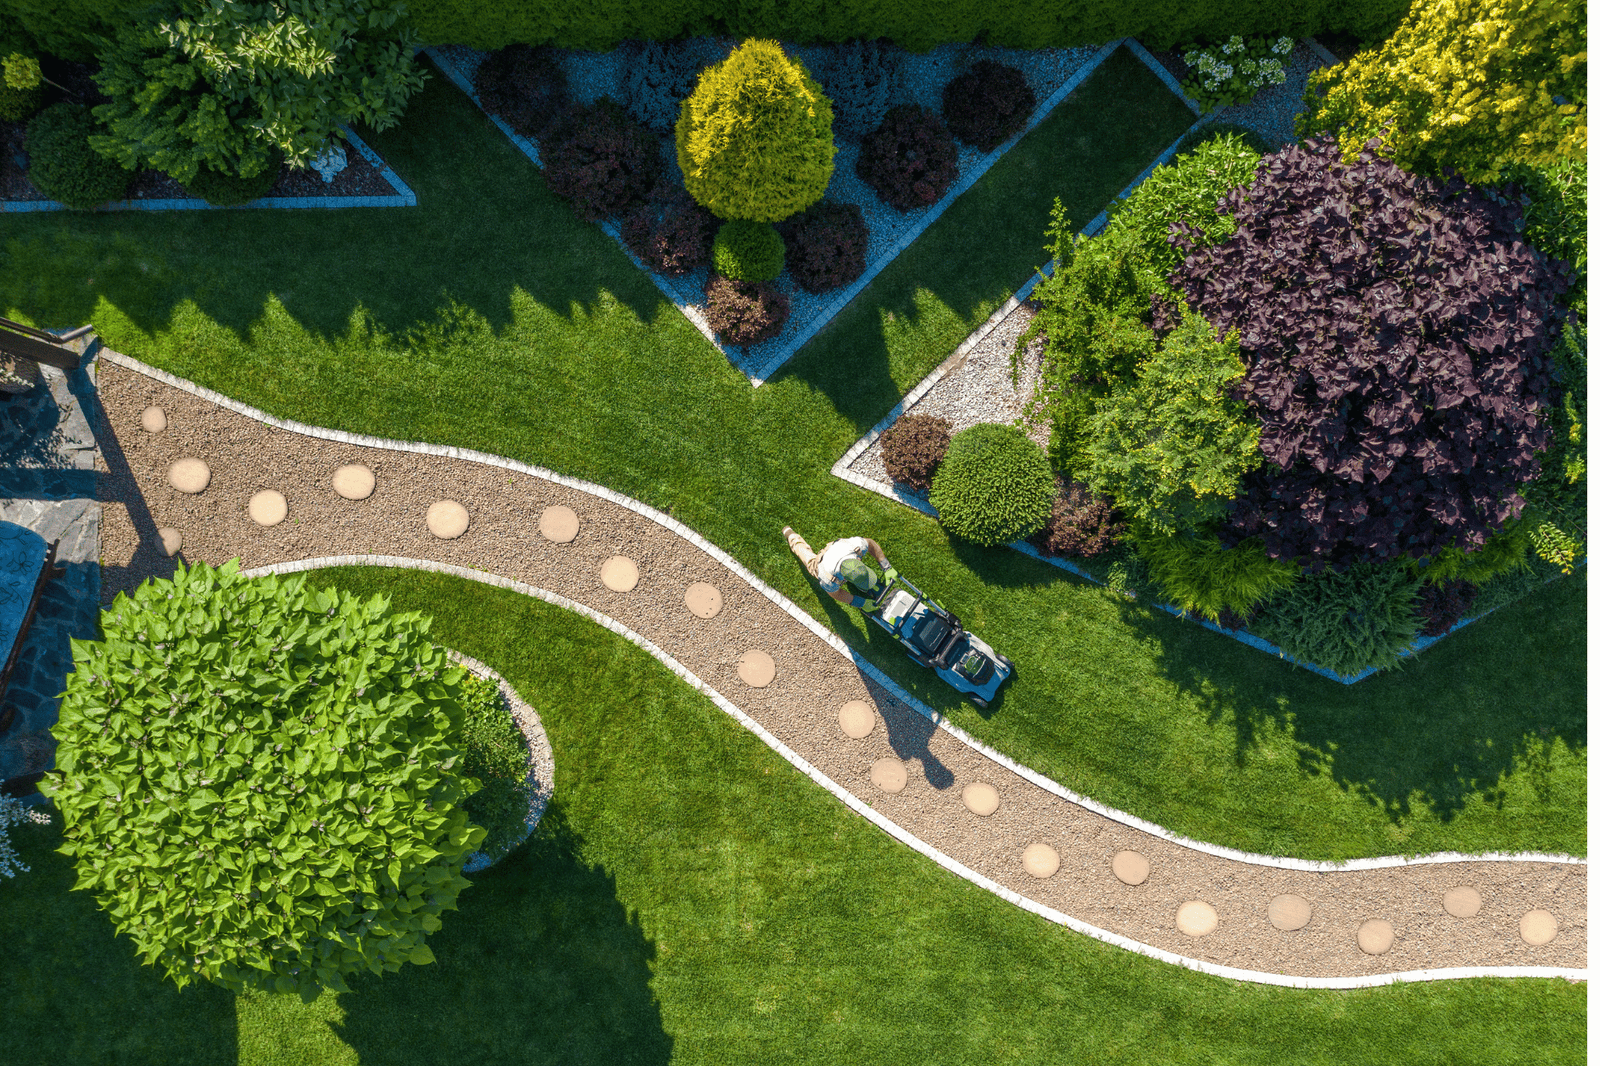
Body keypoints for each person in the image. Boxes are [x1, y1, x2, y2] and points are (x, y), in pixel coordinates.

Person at [783, 526, 897, 610]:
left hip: (838, 548)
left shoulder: (856, 546)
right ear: (843, 579)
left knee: (857, 574)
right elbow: (837, 594)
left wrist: (886, 566)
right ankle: (790, 535)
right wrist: (860, 603)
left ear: (858, 560)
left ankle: (860, 581)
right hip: (820, 563)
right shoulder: (828, 580)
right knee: (804, 554)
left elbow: (870, 543)